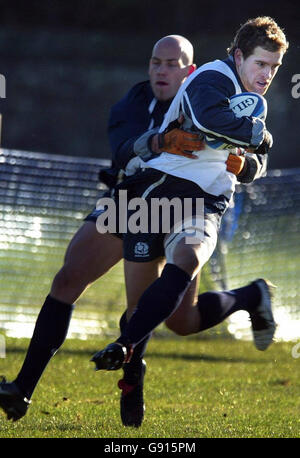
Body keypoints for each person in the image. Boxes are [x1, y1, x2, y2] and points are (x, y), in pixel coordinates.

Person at [0, 34, 208, 425]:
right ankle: (21, 390)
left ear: (189, 70)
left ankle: (132, 375)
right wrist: (160, 143)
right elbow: (125, 152)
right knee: (66, 279)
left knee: (160, 316)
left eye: (171, 63)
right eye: (155, 62)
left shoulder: (204, 104)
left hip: (174, 208)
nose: (161, 70)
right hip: (127, 201)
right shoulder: (131, 103)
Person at [90, 16, 289, 423]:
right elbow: (206, 120)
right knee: (178, 318)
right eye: (261, 64)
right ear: (238, 56)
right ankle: (135, 373)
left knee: (190, 256)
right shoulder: (212, 78)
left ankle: (124, 347)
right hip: (157, 190)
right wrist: (256, 137)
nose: (266, 75)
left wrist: (245, 164)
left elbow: (258, 165)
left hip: (206, 201)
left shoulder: (256, 102)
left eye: (274, 68)